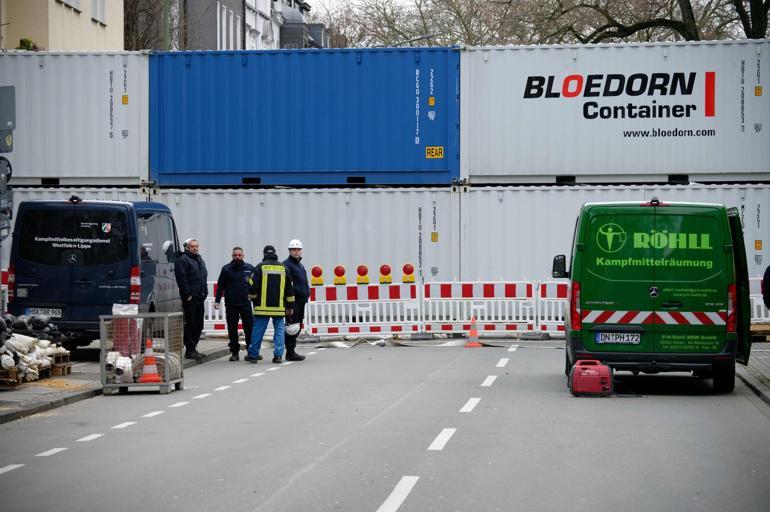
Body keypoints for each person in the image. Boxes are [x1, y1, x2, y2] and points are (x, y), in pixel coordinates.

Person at [245, 245, 294, 364]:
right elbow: (290, 289)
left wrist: (254, 300)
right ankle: (278, 356)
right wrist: (289, 306)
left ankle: (253, 354)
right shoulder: (284, 268)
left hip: (262, 308)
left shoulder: (259, 267)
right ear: (275, 253)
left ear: (264, 254)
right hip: (279, 307)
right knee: (279, 331)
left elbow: (251, 287)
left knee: (258, 331)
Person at [215, 247, 256, 362]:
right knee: (232, 329)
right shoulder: (226, 269)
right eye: (235, 255)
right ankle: (234, 352)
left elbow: (255, 285)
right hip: (231, 303)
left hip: (245, 303)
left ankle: (251, 351)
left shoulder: (249, 268)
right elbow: (220, 286)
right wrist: (217, 301)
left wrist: (256, 300)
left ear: (243, 256)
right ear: (232, 256)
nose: (237, 257)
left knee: (249, 328)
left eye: (239, 255)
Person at [174, 238, 208, 361]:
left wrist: (205, 291)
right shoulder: (183, 260)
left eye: (196, 246)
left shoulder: (199, 259)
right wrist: (187, 294)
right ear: (187, 247)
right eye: (192, 246)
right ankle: (189, 349)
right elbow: (182, 279)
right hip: (190, 298)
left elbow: (203, 276)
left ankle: (194, 348)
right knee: (191, 323)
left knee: (199, 324)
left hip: (200, 297)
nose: (195, 248)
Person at [283, 238, 309, 361]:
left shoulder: (300, 265)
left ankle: (291, 350)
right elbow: (286, 285)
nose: (296, 252)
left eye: (298, 249)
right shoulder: (287, 265)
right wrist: (288, 304)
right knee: (292, 327)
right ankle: (290, 352)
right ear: (289, 250)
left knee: (297, 326)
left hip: (301, 301)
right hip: (293, 302)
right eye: (294, 249)